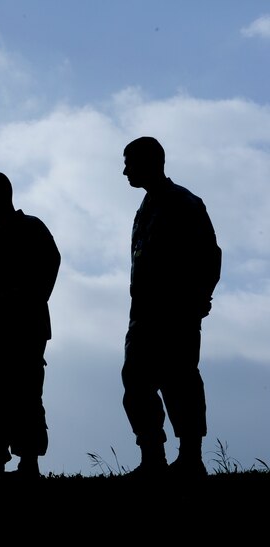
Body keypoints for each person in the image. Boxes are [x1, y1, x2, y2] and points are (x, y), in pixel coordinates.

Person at [121, 136, 222, 479]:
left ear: (150, 161)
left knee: (180, 382)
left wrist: (197, 300)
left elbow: (209, 254)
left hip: (176, 313)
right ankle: (153, 458)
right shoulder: (146, 208)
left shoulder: (183, 203)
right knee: (135, 382)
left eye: (129, 163)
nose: (124, 172)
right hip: (143, 315)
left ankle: (190, 459)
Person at [0, 171, 60, 480]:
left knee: (24, 398)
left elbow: (48, 268)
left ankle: (28, 464)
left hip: (22, 331)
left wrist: (22, 300)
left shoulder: (31, 229)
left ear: (4, 194)